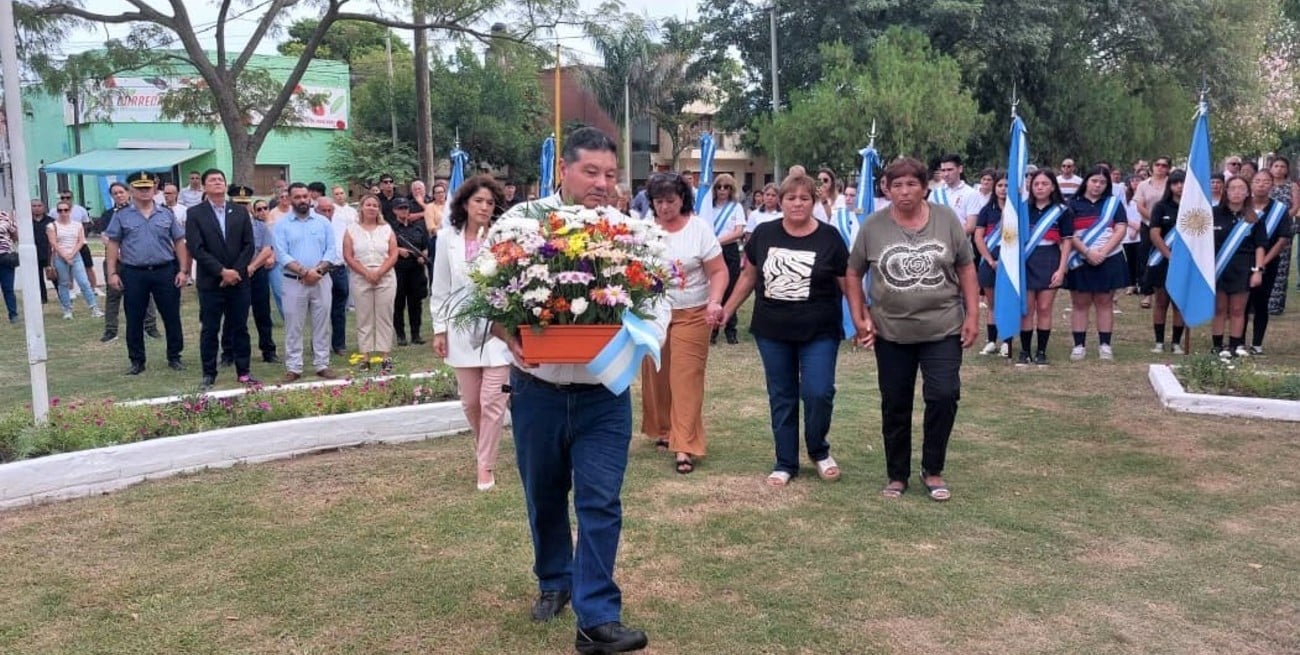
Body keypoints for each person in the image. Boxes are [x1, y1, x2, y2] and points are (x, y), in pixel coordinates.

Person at [494, 127, 662, 653]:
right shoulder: (523, 223)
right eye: (591, 172)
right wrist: (509, 335)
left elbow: (659, 304)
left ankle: (596, 617)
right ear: (562, 170)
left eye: (610, 174)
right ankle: (554, 580)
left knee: (600, 499)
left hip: (603, 393)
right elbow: (485, 293)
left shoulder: (629, 231)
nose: (602, 183)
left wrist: (636, 338)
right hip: (537, 388)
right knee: (544, 494)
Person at [844, 157, 978, 501]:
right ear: (886, 188)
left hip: (943, 326)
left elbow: (966, 268)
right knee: (896, 402)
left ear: (925, 187)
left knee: (944, 395)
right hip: (891, 332)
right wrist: (861, 318)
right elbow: (854, 272)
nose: (904, 192)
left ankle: (932, 469)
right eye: (897, 185)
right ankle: (897, 474)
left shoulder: (946, 219)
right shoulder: (873, 226)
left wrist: (973, 315)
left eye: (912, 184)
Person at [720, 172, 848, 488]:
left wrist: (862, 318)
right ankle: (785, 460)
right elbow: (748, 277)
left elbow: (848, 282)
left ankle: (818, 449)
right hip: (772, 330)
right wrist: (727, 310)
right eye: (791, 198)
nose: (797, 203)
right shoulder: (764, 233)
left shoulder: (830, 237)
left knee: (819, 392)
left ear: (813, 201)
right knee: (782, 395)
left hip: (820, 329)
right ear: (780, 200)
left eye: (804, 198)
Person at [640, 172, 728, 475]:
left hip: (693, 311)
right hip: (654, 313)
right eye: (659, 201)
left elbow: (718, 271)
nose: (665, 207)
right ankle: (664, 429)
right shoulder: (645, 230)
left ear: (683, 200)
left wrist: (715, 301)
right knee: (657, 375)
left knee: (686, 376)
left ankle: (685, 446)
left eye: (671, 201)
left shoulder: (699, 229)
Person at [429, 175, 512, 490]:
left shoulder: (504, 237)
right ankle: (484, 450)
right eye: (479, 201)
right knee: (471, 403)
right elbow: (440, 287)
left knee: (493, 401)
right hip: (460, 328)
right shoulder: (446, 238)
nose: (485, 207)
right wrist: (439, 329)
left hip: (498, 330)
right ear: (465, 203)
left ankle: (485, 466)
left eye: (490, 202)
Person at [104, 171, 189, 375]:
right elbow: (113, 244)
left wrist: (184, 270)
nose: (144, 192)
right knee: (134, 318)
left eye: (147, 188)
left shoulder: (166, 214)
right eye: (139, 188)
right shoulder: (122, 215)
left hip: (164, 271)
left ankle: (175, 356)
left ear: (154, 189)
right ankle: (137, 361)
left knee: (171, 316)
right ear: (131, 190)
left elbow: (179, 241)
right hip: (134, 273)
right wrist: (112, 273)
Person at [187, 170, 257, 389]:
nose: (217, 183)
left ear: (225, 185)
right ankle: (209, 373)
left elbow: (249, 245)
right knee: (210, 328)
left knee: (240, 327)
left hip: (238, 281)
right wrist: (221, 271)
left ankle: (243, 372)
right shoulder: (195, 213)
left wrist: (235, 272)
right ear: (205, 187)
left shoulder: (239, 211)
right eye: (212, 180)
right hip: (211, 282)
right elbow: (196, 248)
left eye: (221, 180)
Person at [274, 182, 340, 382]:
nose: (302, 200)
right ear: (290, 199)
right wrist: (304, 272)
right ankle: (294, 367)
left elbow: (331, 250)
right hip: (294, 282)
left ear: (310, 198)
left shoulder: (323, 223)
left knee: (322, 323)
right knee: (294, 325)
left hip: (321, 279)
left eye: (305, 196)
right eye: (297, 197)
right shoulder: (282, 225)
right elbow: (281, 254)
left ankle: (322, 364)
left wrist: (317, 271)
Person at [1064, 166, 1127, 361]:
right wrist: (1087, 251)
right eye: (1094, 181)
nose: (1097, 185)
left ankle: (1105, 345)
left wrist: (1103, 252)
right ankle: (1079, 345)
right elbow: (1068, 233)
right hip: (1081, 258)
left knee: (1104, 302)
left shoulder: (1113, 203)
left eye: (1102, 182)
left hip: (1108, 257)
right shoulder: (1072, 204)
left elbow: (1120, 228)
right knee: (1080, 303)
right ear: (1086, 182)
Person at [1016, 169, 1073, 366]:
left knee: (1044, 307)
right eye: (1036, 184)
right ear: (1030, 187)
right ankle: (1024, 351)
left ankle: (1041, 351)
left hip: (1050, 258)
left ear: (1052, 187)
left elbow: (1067, 241)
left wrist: (1062, 267)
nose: (1040, 187)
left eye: (1045, 184)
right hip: (1027, 260)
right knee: (1027, 309)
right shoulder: (1023, 209)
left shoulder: (1062, 211)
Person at [1210, 175, 1267, 358]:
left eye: (1240, 188)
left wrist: (1258, 270)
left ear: (1247, 193)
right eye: (1232, 188)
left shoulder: (1254, 217)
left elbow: (1260, 246)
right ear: (1226, 191)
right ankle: (1218, 346)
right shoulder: (1213, 213)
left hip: (1243, 268)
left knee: (1237, 310)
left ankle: (1235, 345)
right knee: (1219, 309)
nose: (1236, 192)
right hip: (1218, 268)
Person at [343, 194, 399, 372]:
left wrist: (380, 272)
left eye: (375, 205)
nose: (372, 208)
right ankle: (365, 357)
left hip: (385, 276)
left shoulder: (386, 229)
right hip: (361, 276)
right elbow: (348, 256)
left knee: (384, 316)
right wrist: (366, 273)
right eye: (368, 205)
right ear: (361, 208)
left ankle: (385, 356)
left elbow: (393, 253)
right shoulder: (351, 230)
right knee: (364, 317)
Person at [1243, 169, 1292, 354]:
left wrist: (1262, 262)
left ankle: (1256, 344)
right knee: (1242, 304)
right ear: (1251, 184)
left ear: (1271, 185)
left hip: (1268, 263)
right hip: (1242, 262)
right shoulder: (1243, 206)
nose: (1261, 184)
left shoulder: (1279, 210)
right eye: (1257, 181)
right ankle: (1238, 342)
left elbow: (1282, 239)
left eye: (1265, 181)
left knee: (1261, 303)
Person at [1147, 170, 1187, 355]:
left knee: (1179, 303)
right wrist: (1169, 256)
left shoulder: (1194, 208)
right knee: (1161, 302)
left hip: (1186, 262)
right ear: (1170, 185)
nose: (1179, 186)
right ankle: (1159, 342)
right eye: (1175, 183)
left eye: (1182, 182)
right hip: (1163, 260)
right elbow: (1154, 233)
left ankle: (1176, 342)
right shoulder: (1161, 207)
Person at [704, 173, 746, 344]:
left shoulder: (736, 207)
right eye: (719, 187)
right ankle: (712, 330)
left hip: (729, 250)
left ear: (731, 189)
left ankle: (730, 329)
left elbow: (739, 231)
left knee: (731, 290)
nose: (722, 190)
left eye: (726, 187)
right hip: (711, 252)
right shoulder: (708, 208)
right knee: (712, 291)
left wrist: (717, 241)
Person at [973, 171, 1011, 356]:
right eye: (1000, 185)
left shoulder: (1018, 210)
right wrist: (989, 259)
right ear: (994, 188)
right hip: (990, 262)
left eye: (1007, 186)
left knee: (1008, 302)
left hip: (1009, 263)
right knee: (993, 303)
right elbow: (978, 237)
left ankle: (1007, 341)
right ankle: (991, 340)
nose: (1004, 189)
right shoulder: (987, 210)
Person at [48, 199, 104, 320]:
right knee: (63, 283)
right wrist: (65, 256)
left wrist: (72, 254)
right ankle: (67, 310)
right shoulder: (52, 226)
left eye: (66, 210)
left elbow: (81, 241)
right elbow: (53, 243)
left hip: (75, 256)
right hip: (60, 256)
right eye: (60, 210)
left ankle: (94, 308)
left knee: (84, 282)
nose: (63, 213)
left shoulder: (77, 225)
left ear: (70, 211)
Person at [314, 197, 351, 356]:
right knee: (320, 309)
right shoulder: (312, 224)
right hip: (321, 272)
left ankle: (339, 344)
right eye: (324, 210)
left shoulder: (341, 224)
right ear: (316, 210)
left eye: (330, 210)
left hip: (339, 269)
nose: (327, 213)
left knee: (339, 309)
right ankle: (319, 345)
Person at [245, 197, 280, 363]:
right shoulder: (228, 227)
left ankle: (268, 350)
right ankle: (230, 353)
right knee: (235, 316)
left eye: (245, 204)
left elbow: (267, 249)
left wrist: (252, 267)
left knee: (263, 313)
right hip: (237, 274)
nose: (243, 207)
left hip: (257, 272)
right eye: (238, 204)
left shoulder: (260, 227)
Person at [390, 198, 429, 346]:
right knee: (398, 303)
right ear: (394, 211)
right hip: (399, 269)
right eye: (400, 208)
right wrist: (398, 250)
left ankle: (416, 334)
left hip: (416, 270)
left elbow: (425, 245)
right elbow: (385, 247)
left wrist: (423, 257)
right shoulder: (390, 228)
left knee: (415, 304)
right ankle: (400, 335)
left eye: (406, 208)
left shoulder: (418, 226)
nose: (404, 210)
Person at [1134, 156, 1171, 309]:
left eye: (1164, 165)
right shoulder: (1143, 185)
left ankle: (1167, 289)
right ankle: (1147, 293)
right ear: (1152, 166)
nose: (1160, 168)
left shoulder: (1172, 184)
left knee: (1166, 257)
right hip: (1148, 225)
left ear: (1168, 168)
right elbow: (1140, 206)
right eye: (1158, 164)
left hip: (1169, 227)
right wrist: (1155, 220)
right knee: (1146, 257)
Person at [1266, 156, 1293, 315]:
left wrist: (1280, 219)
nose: (1279, 169)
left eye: (1283, 166)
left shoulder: (1292, 187)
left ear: (1287, 169)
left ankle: (1276, 305)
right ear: (1271, 167)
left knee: (1281, 266)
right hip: (1265, 229)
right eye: (1276, 166)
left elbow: (1295, 206)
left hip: (1283, 229)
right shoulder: (1265, 184)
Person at [929, 154, 981, 228]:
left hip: (960, 238)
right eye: (943, 170)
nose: (946, 174)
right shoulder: (935, 194)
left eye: (950, 170)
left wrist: (950, 238)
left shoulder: (971, 193)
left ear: (960, 169)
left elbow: (970, 226)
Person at [30, 199, 54, 306]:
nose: (36, 208)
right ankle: (43, 299)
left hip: (49, 253)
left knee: (55, 277)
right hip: (35, 255)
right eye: (34, 206)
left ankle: (64, 298)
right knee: (38, 279)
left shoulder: (51, 221)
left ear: (43, 207)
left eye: (39, 205)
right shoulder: (27, 222)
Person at [0, 209, 17, 323]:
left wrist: (13, 222)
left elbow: (15, 235)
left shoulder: (4, 215)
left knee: (8, 288)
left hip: (5, 257)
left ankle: (13, 314)